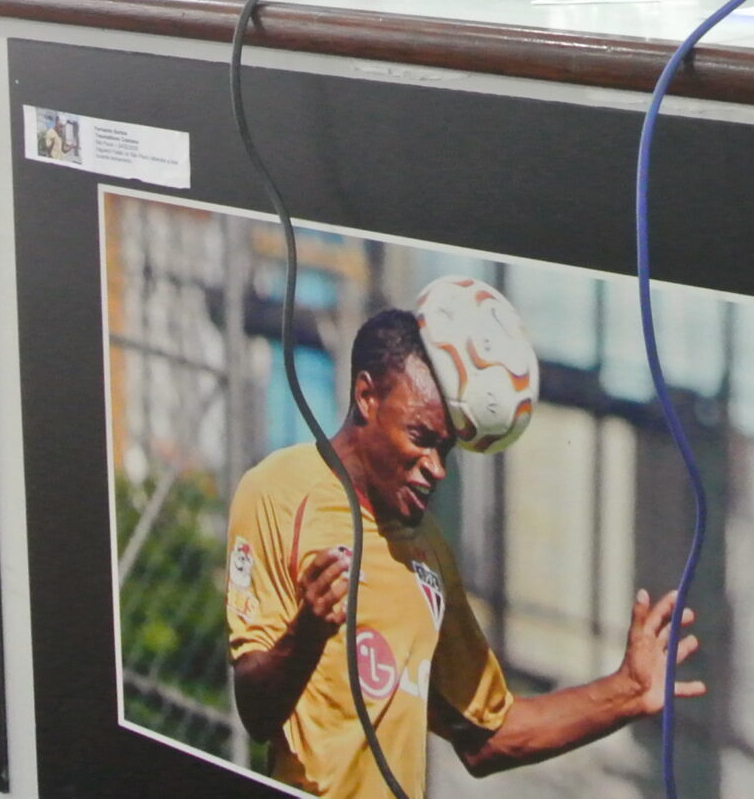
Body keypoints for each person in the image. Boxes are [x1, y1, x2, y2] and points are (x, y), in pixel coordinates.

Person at [226, 308, 700, 797]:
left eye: (446, 449)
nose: (437, 469)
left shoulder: (428, 548)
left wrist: (626, 691)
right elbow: (255, 712)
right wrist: (309, 631)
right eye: (420, 439)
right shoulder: (281, 491)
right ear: (366, 396)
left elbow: (488, 738)